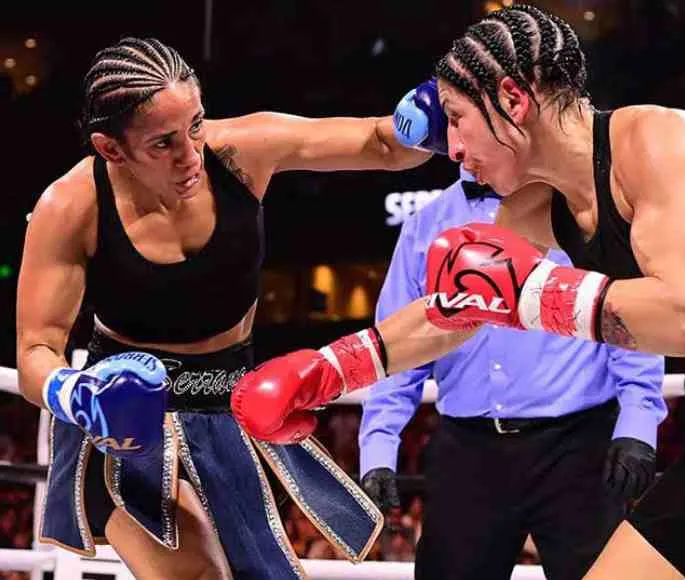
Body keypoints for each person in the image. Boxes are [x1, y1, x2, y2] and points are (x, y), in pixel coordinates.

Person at [231, 4, 685, 579]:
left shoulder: (659, 141)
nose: (451, 148)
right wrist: (327, 371)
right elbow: (460, 304)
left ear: (512, 98)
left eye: (458, 119)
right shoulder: (539, 208)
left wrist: (534, 294)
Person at [15, 36, 447, 579]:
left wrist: (430, 117)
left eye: (196, 125)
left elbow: (379, 143)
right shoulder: (71, 206)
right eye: (163, 143)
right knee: (197, 575)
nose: (190, 154)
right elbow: (35, 351)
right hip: (128, 423)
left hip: (231, 406)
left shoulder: (241, 152)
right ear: (110, 149)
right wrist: (76, 393)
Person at [358, 167, 666, 580]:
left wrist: (637, 424)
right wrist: (378, 449)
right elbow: (396, 346)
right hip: (469, 452)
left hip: (576, 448)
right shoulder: (426, 224)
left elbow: (626, 317)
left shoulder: (579, 208)